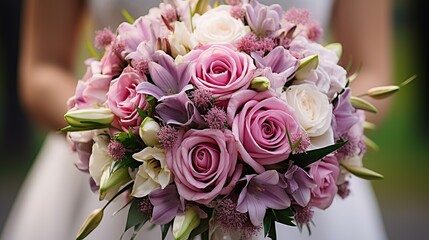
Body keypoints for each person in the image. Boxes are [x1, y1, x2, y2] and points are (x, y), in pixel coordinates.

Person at [1, 0, 391, 239]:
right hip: (122, 184)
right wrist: (124, 131)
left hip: (294, 183)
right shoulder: (128, 143)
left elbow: (375, 71)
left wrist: (298, 141)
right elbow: (41, 71)